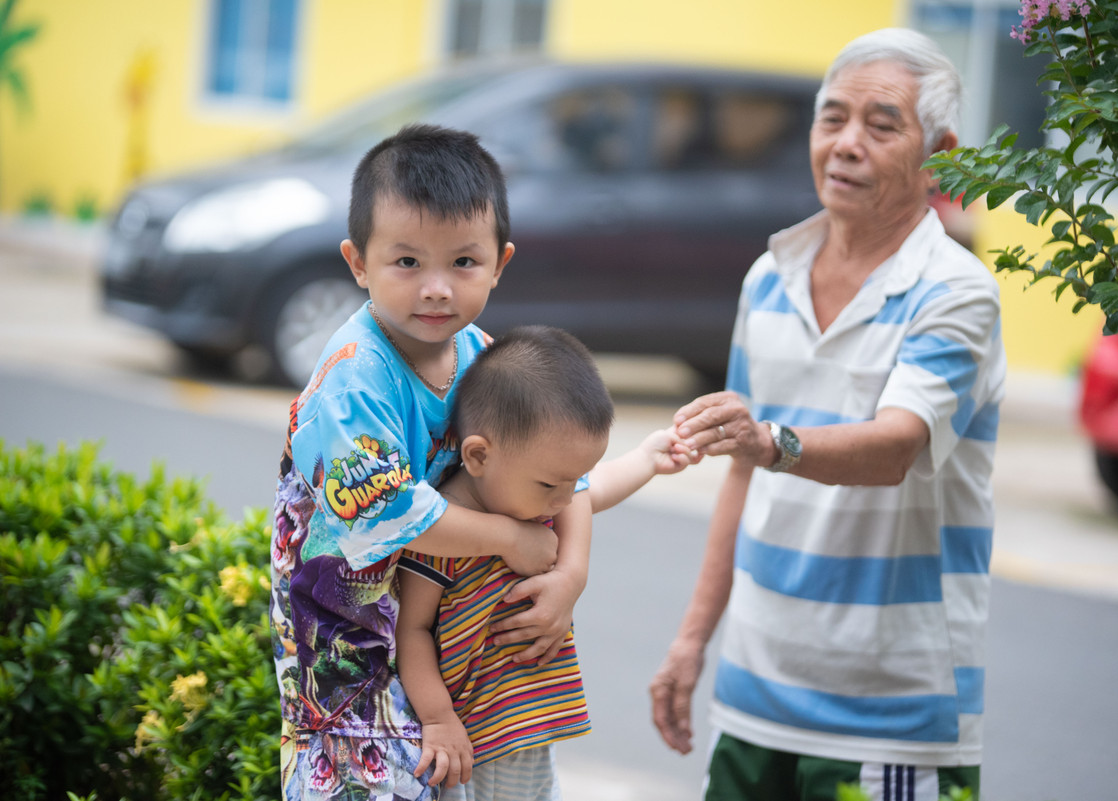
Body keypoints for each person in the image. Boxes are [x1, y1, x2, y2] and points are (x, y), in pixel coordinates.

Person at [648, 28, 1007, 801]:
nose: (846, 143)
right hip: (753, 692)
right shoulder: (767, 278)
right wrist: (691, 639)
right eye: (832, 117)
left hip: (890, 715)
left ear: (939, 155)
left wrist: (770, 440)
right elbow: (742, 473)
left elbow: (895, 447)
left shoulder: (956, 291)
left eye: (882, 124)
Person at [269, 124, 589, 801]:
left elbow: (567, 470)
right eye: (408, 262)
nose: (437, 289)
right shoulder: (354, 379)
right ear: (359, 262)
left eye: (463, 262)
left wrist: (571, 573)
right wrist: (510, 538)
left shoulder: (486, 357)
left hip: (451, 644)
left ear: (500, 263)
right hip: (349, 654)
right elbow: (390, 511)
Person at [395, 324, 696, 801]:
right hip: (475, 737)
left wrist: (648, 458)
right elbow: (410, 631)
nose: (565, 499)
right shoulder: (445, 532)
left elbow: (595, 487)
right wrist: (437, 719)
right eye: (552, 484)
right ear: (478, 456)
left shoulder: (533, 498)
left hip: (532, 728)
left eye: (573, 480)